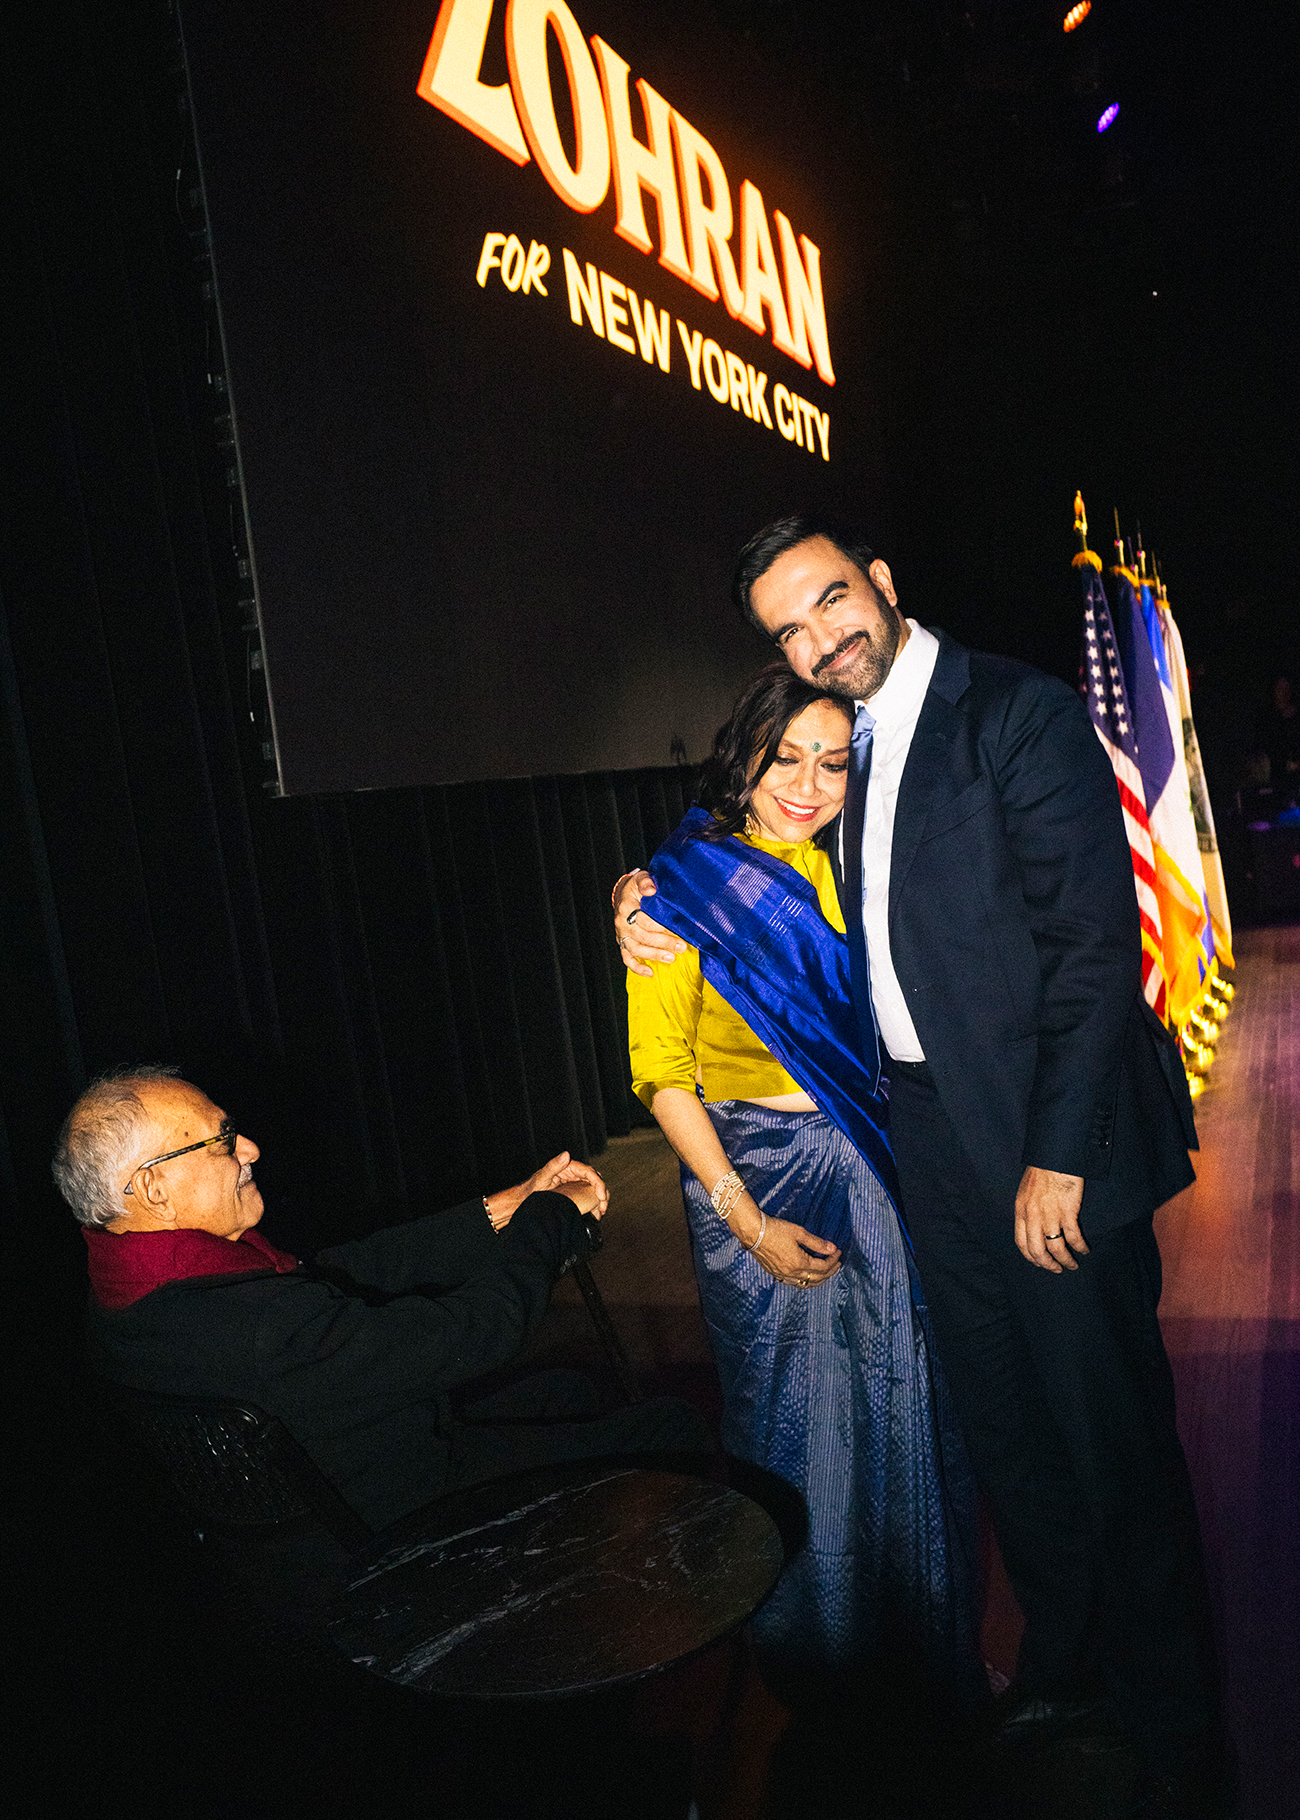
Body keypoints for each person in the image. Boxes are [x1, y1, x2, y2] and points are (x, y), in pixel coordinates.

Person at [615, 517, 1224, 1818]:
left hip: (1046, 1139)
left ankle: (1176, 1731)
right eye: (787, 629)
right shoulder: (848, 745)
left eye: (831, 599)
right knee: (1008, 1430)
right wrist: (642, 892)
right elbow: (759, 840)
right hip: (926, 1143)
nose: (820, 637)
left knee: (1109, 1440)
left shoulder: (1015, 712)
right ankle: (1065, 1673)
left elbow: (1092, 951)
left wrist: (1057, 1156)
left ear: (881, 583)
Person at [625, 664, 983, 1710]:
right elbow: (662, 1074)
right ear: (744, 755)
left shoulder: (854, 869)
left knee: (904, 1404)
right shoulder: (680, 889)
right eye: (787, 757)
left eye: (833, 764)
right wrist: (747, 1222)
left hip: (874, 1164)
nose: (808, 784)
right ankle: (814, 1668)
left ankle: (923, 1651)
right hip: (754, 1181)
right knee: (793, 1425)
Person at [58, 1066, 709, 1530]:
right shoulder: (261, 1326)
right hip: (401, 1526)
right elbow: (478, 1330)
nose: (249, 1149)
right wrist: (550, 1217)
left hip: (330, 1501)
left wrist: (506, 1207)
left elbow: (350, 1272)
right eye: (222, 1140)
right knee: (669, 1427)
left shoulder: (129, 1293)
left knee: (568, 1390)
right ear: (154, 1189)